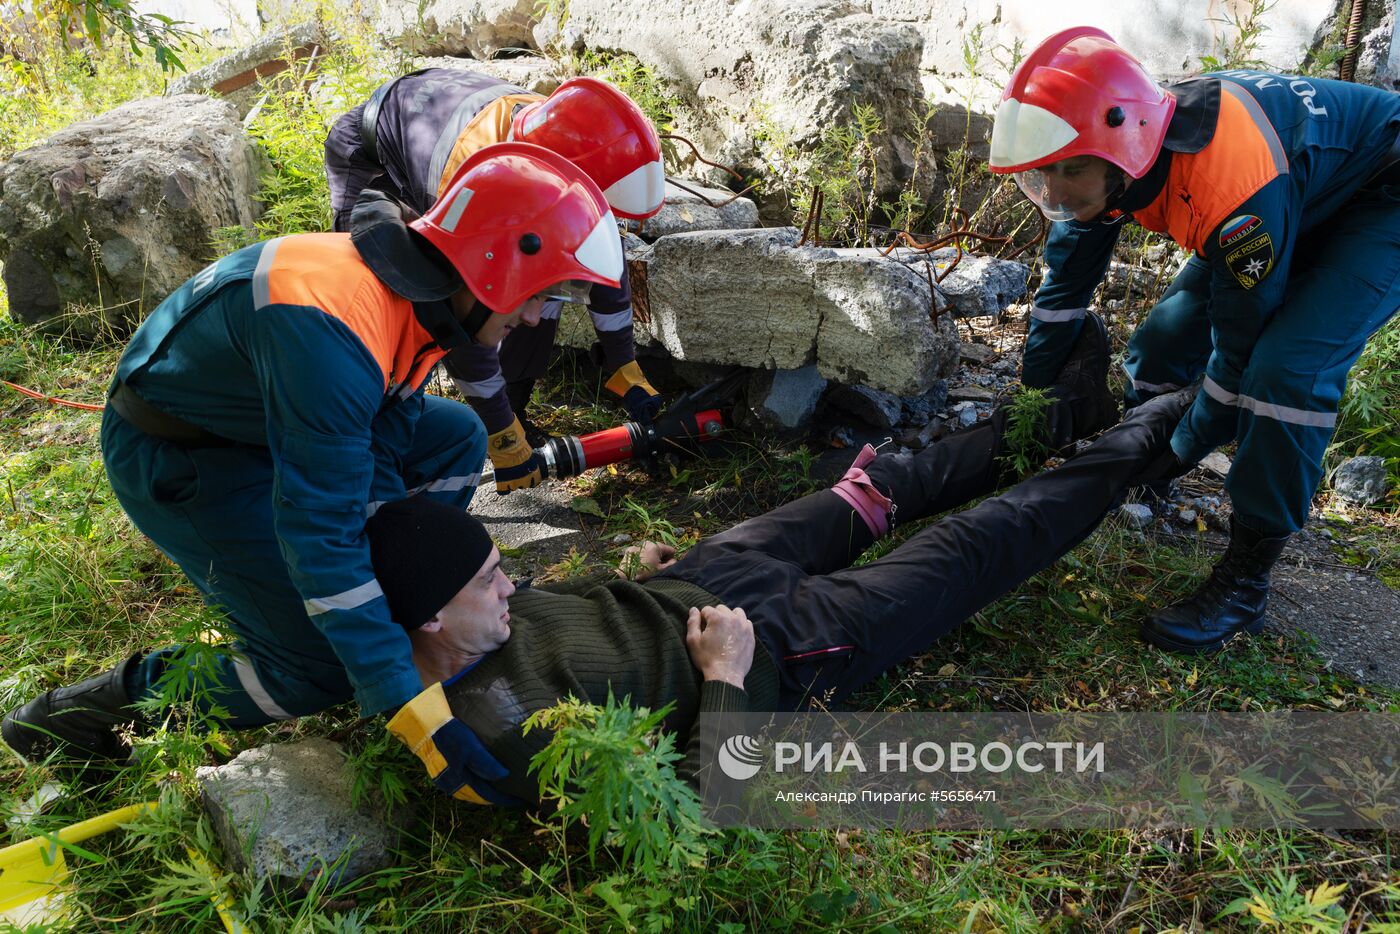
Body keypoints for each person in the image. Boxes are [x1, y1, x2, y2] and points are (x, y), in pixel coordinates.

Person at [367, 317, 1195, 806]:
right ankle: (1155, 431)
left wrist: (638, 579)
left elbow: (575, 615)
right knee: (972, 546)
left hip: (707, 574)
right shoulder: (495, 731)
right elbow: (697, 803)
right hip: (773, 647)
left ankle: (1077, 406)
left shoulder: (471, 617)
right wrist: (726, 677)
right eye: (489, 580)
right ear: (430, 617)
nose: (512, 582)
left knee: (880, 486)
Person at [1, 142, 624, 765]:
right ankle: (74, 717)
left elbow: (388, 426)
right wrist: (408, 706)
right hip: (184, 455)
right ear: (496, 271)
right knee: (314, 670)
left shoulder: (428, 297)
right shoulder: (332, 324)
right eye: (545, 295)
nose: (541, 316)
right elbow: (321, 530)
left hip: (270, 428)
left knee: (455, 438)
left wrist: (409, 594)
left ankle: (394, 621)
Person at [987, 26, 1400, 654]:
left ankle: (1246, 578)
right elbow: (1062, 294)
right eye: (1046, 173)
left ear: (1122, 152)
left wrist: (1186, 441)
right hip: (1298, 185)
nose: (1058, 190)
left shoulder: (1227, 190)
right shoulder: (1112, 148)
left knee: (1285, 371)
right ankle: (1143, 472)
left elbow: (1238, 354)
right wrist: (1030, 400)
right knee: (1161, 343)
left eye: (1071, 172)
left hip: (1380, 194)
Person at [325, 69, 669, 493]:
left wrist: (624, 365)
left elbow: (599, 258)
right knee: (396, 305)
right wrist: (502, 437)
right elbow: (464, 314)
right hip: (374, 152)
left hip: (435, 119)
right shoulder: (475, 175)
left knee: (538, 287)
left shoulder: (560, 133)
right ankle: (377, 448)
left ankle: (514, 406)